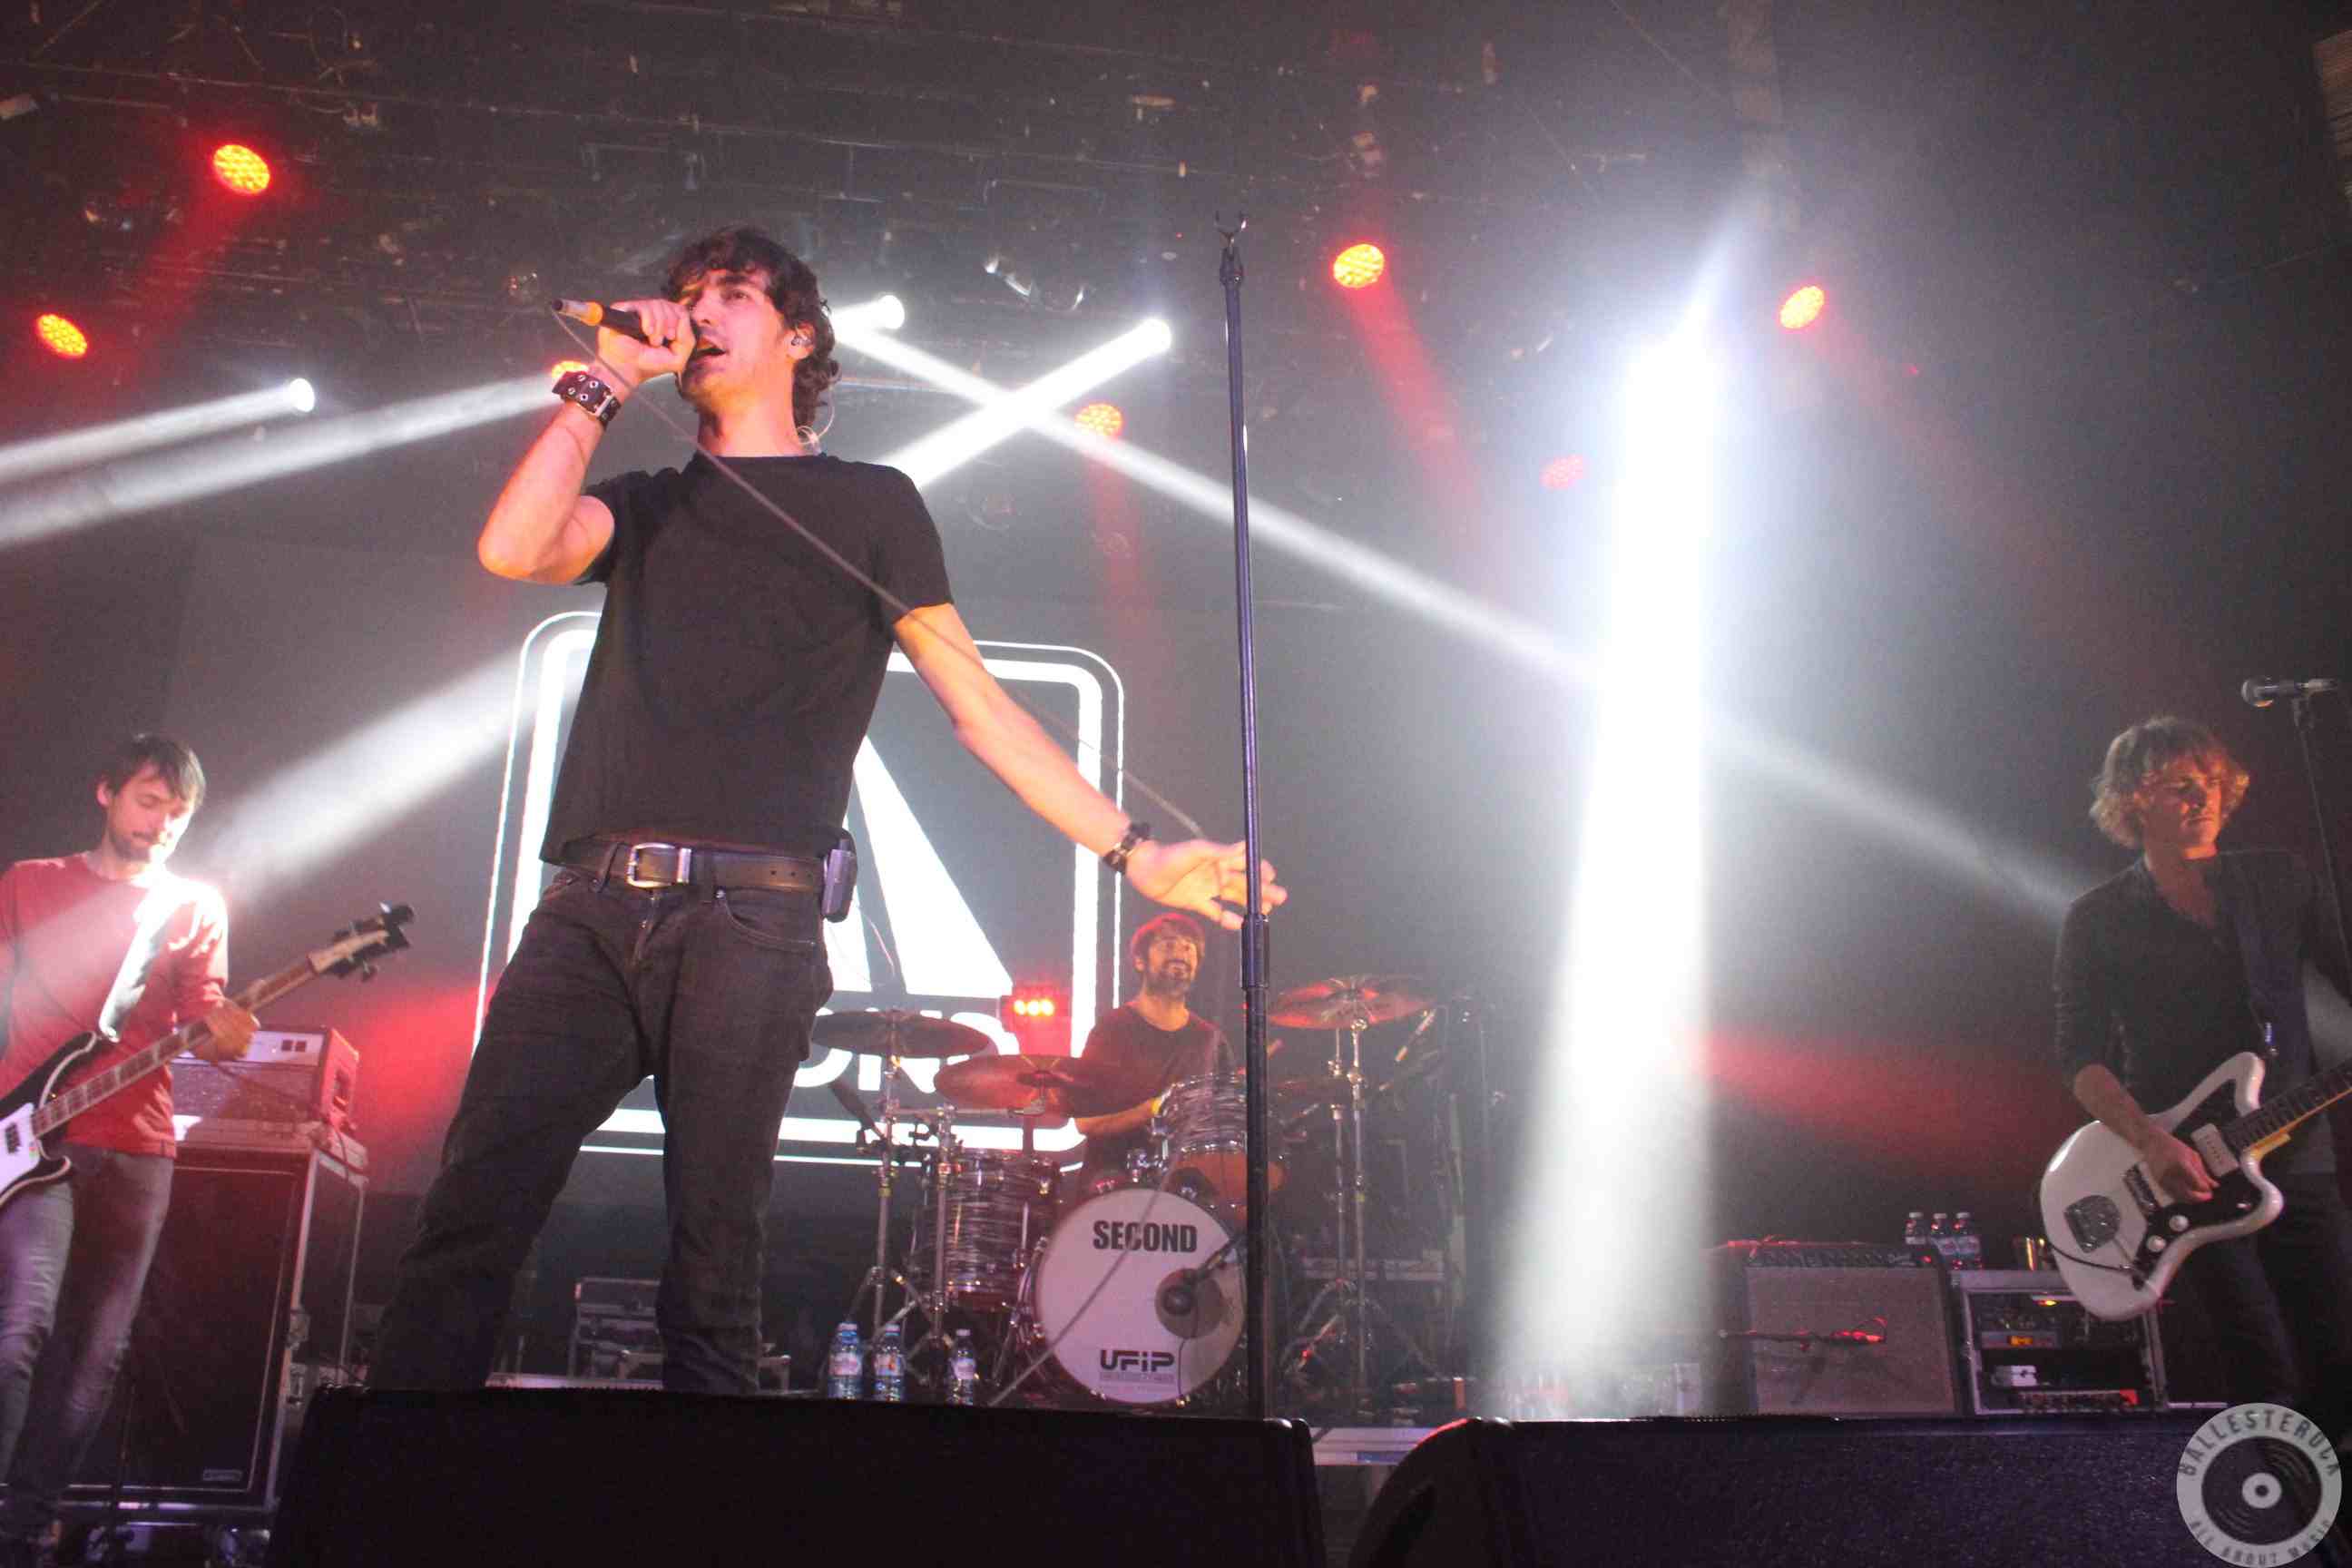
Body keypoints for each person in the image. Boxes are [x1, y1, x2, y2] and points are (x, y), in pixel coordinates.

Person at [371, 225, 1282, 1395]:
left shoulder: (870, 505)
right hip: (592, 908)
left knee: (713, 1268)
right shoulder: (646, 506)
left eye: (731, 294)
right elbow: (513, 547)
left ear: (799, 337)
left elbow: (980, 708)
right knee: (469, 1220)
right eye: (686, 295)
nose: (698, 311)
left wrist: (1136, 852)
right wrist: (605, 379)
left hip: (752, 922)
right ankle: (382, 1483)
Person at [2053, 714, 2352, 1446]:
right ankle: (2280, 1501)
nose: (2204, 797)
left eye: (2213, 782)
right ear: (2133, 798)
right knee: (2263, 1366)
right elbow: (2080, 1060)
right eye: (2181, 785)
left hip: (2298, 1149)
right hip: (2184, 1169)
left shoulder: (2277, 879)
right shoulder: (2096, 919)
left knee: (2340, 1358)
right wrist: (2152, 1142)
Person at [0, 736, 256, 1566]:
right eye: (150, 803)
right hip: (34, 1134)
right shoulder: (29, 883)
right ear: (106, 792)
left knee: (93, 1357)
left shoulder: (193, 905)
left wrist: (226, 1035)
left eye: (179, 814)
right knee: (21, 1326)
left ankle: (24, 1527)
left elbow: (207, 1014)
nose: (162, 825)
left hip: (139, 1143)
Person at [1073, 913, 1230, 1190]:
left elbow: (1225, 1124)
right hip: (1114, 1187)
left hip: (1187, 1191)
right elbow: (1086, 1123)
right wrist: (1154, 1109)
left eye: (1189, 947)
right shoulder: (1113, 1029)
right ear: (1140, 961)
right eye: (1168, 944)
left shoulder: (1211, 1040)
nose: (1180, 953)